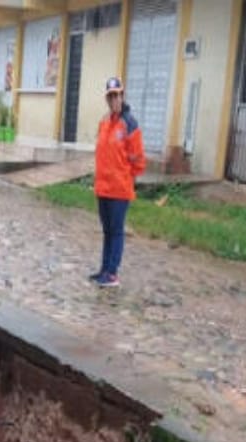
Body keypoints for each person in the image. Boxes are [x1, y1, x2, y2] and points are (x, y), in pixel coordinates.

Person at [91, 76, 146, 288]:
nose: (114, 99)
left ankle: (112, 273)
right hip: (103, 188)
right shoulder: (104, 122)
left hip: (119, 189)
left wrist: (126, 177)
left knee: (116, 231)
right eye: (110, 96)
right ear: (107, 99)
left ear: (122, 96)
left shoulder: (129, 123)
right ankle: (104, 269)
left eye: (117, 95)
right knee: (107, 231)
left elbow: (138, 159)